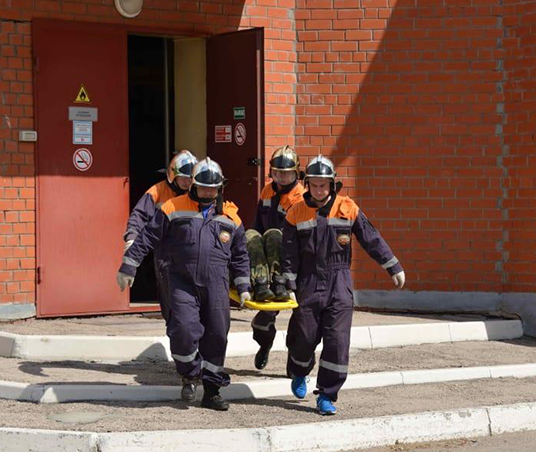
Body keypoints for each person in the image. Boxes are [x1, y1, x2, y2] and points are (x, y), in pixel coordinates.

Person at [116, 157, 251, 411]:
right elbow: (147, 237)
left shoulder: (231, 215)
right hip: (182, 281)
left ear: (220, 188)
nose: (208, 193)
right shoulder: (172, 207)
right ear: (193, 186)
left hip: (216, 285)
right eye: (203, 188)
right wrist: (129, 265)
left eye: (212, 189)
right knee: (183, 329)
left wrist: (244, 286)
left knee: (217, 335)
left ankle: (211, 391)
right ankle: (189, 375)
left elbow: (241, 254)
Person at [281, 155, 406, 416]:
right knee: (303, 337)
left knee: (337, 342)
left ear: (332, 184)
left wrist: (392, 266)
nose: (319, 190)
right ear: (307, 184)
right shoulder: (296, 212)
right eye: (314, 185)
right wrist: (289, 283)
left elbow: (371, 238)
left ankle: (327, 394)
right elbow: (289, 252)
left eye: (323, 185)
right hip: (308, 282)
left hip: (339, 283)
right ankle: (299, 370)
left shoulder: (347, 208)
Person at [120, 150, 197, 324]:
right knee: (170, 299)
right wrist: (132, 239)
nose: (187, 183)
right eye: (183, 179)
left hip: (192, 252)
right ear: (172, 176)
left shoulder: (197, 194)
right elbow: (139, 216)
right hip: (166, 254)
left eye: (190, 179)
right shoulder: (157, 191)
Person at [247, 146, 306, 371]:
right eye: (277, 172)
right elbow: (257, 226)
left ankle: (295, 365)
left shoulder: (299, 198)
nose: (281, 177)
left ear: (296, 173)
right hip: (269, 263)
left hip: (294, 264)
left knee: (302, 321)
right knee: (264, 318)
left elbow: (294, 238)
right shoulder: (267, 191)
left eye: (286, 173)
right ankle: (265, 344)